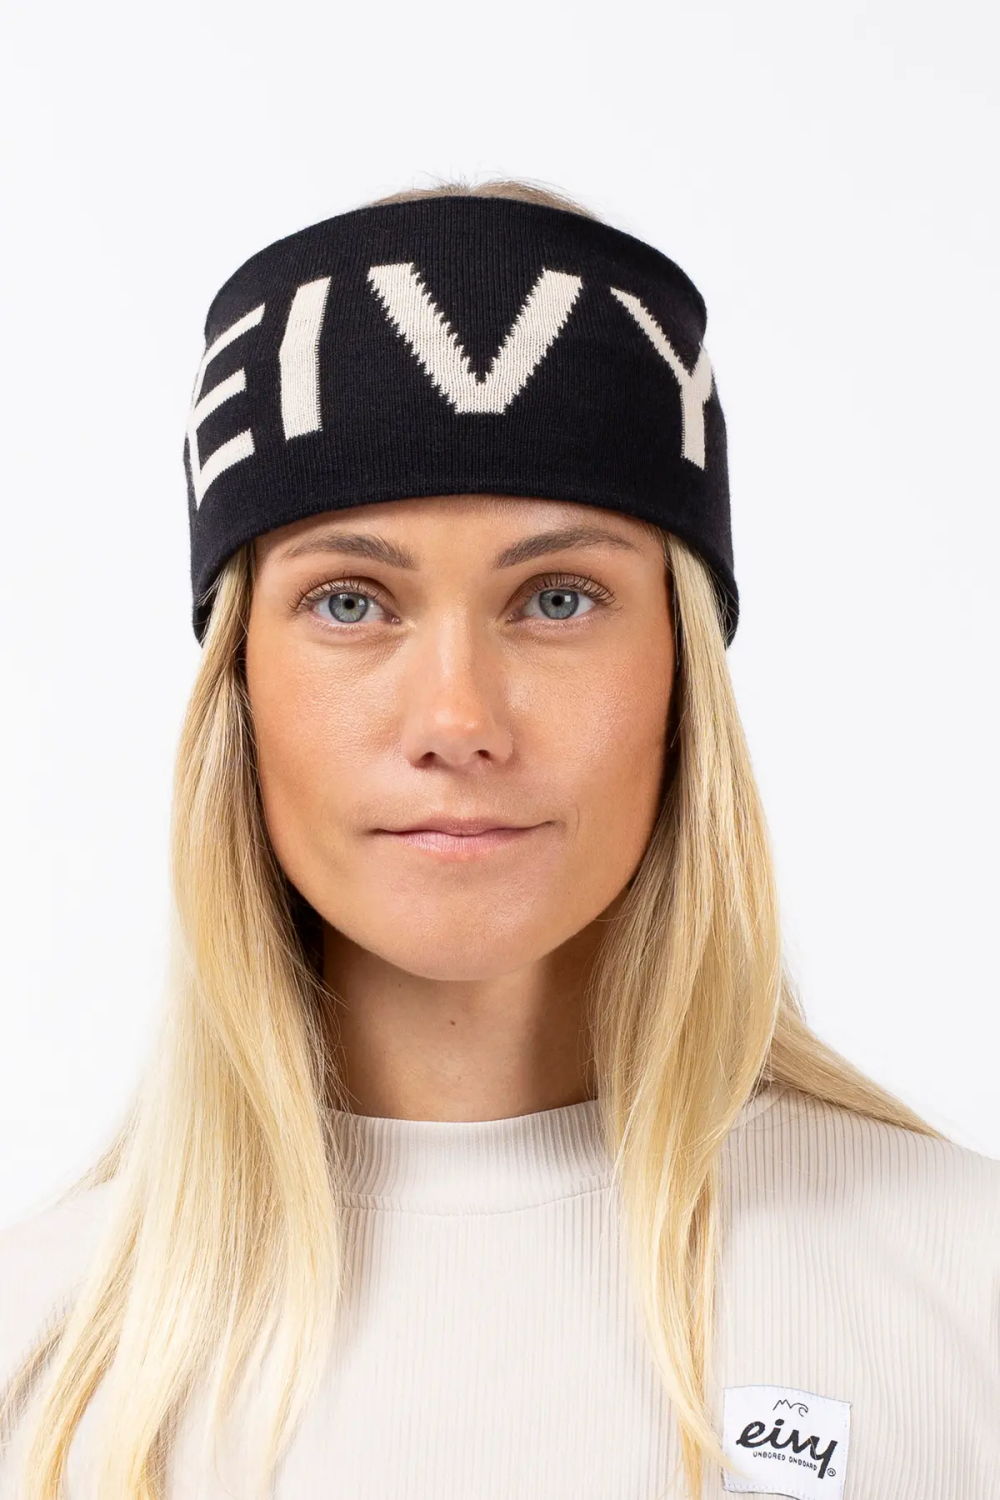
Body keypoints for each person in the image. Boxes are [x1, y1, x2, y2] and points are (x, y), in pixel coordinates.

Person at [1, 179, 997, 1500]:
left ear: (682, 679)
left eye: (559, 598)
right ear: (239, 686)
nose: (459, 720)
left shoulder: (964, 1295)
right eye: (350, 600)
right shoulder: (41, 1357)